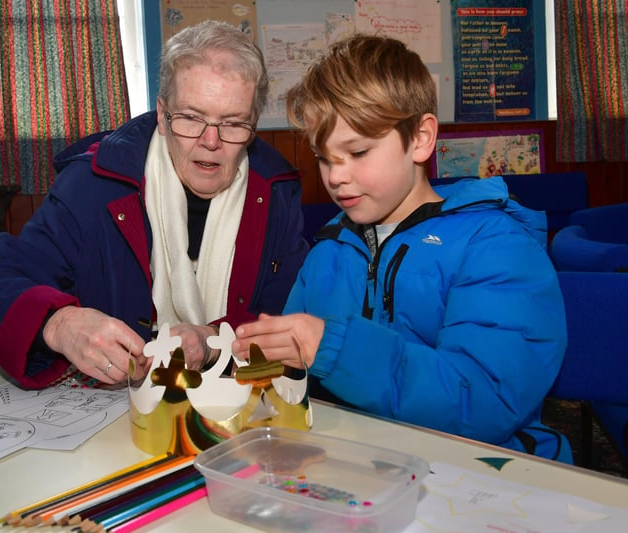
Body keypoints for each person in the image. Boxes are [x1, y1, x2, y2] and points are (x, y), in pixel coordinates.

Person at [232, 34, 572, 462]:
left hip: (483, 470)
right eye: (324, 157)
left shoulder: (496, 247)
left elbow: (484, 404)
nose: (336, 177)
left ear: (421, 138)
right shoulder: (327, 253)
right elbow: (291, 372)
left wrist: (332, 348)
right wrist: (232, 350)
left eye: (357, 152)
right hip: (360, 465)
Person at [0, 20, 310, 389]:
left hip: (232, 406)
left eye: (233, 123)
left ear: (253, 126)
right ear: (161, 113)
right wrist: (57, 324)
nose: (210, 141)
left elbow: (293, 315)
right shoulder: (94, 184)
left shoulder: (277, 192)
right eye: (190, 117)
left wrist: (214, 341)